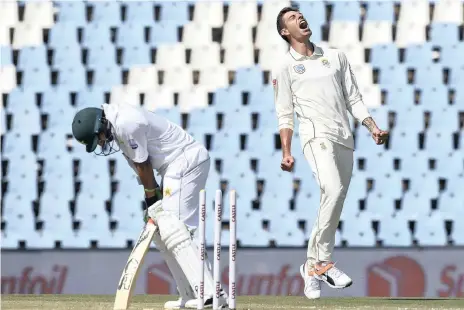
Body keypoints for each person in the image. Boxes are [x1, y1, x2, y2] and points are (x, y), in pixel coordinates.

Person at [273, 7, 389, 300]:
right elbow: (284, 113)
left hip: (344, 138)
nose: (299, 17)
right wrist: (286, 151)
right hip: (315, 136)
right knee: (333, 189)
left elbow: (353, 97)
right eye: (291, 18)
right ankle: (322, 262)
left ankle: (311, 268)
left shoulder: (335, 56)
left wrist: (371, 126)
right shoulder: (285, 66)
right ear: (285, 32)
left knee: (334, 198)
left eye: (300, 14)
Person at [71, 103, 227, 309]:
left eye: (97, 138)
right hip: (172, 168)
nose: (100, 144)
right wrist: (151, 201)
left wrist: (153, 200)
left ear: (100, 124)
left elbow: (144, 166)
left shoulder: (126, 123)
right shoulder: (118, 128)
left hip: (185, 161)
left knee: (174, 228)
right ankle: (189, 293)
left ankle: (209, 294)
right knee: (163, 232)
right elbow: (141, 169)